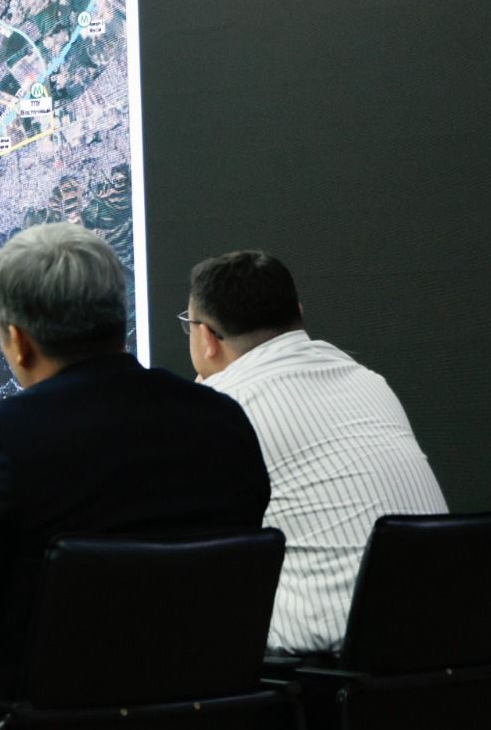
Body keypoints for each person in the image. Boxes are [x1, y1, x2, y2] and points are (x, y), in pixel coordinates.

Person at [0, 223, 269, 703]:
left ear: (19, 341)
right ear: (117, 318)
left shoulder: (0, 441)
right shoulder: (223, 422)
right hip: (207, 713)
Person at [186, 250, 446, 654]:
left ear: (206, 338)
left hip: (323, 662)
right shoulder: (370, 382)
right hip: (446, 637)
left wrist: (202, 398)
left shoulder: (221, 408)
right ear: (299, 314)